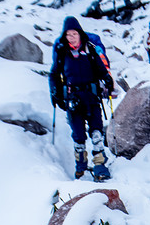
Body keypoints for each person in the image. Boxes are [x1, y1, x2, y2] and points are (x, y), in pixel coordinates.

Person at [49, 15, 115, 181]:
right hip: (73, 99)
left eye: (73, 34)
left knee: (97, 132)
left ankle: (100, 165)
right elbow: (54, 74)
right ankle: (81, 167)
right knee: (78, 135)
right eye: (68, 34)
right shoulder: (62, 52)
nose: (71, 37)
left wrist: (107, 79)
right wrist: (55, 92)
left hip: (91, 97)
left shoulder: (90, 50)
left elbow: (101, 70)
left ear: (79, 33)